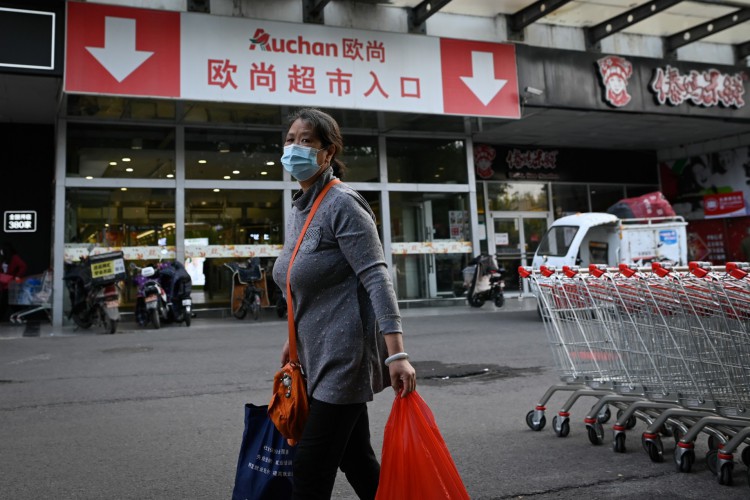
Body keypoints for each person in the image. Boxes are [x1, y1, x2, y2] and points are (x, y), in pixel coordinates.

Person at [271, 108, 416, 500]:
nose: (294, 148)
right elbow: (301, 281)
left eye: (306, 141)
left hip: (344, 359)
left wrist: (396, 355)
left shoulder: (343, 204)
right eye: (289, 139)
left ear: (328, 152)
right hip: (313, 356)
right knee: (357, 461)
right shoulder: (301, 207)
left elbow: (376, 277)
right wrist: (294, 337)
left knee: (309, 471)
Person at [0, 241, 28, 321]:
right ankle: (21, 316)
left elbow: (23, 266)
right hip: (5, 283)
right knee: (12, 303)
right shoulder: (4, 259)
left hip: (11, 283)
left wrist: (17, 276)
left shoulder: (14, 258)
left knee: (4, 302)